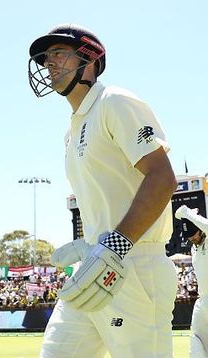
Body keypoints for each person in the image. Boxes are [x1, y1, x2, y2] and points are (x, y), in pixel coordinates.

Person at [28, 24, 178, 357]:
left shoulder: (114, 101)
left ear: (90, 59)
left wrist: (114, 244)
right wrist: (92, 245)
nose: (49, 64)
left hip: (135, 265)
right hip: (95, 265)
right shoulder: (71, 131)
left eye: (58, 54)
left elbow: (162, 178)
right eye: (45, 58)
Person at [175, 205, 208, 358]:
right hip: (202, 302)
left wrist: (187, 212)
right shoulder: (194, 248)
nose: (192, 238)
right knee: (195, 340)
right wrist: (187, 218)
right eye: (188, 236)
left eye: (193, 234)